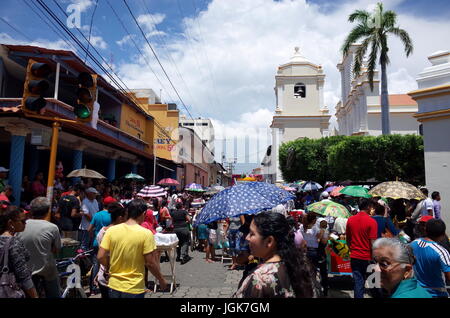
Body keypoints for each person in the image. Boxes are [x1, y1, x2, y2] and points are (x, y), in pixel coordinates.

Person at [233, 211, 314, 298]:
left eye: (252, 234)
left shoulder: (260, 278)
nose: (247, 238)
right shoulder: (301, 265)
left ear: (269, 241)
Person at [97, 199, 167, 298]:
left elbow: (100, 256)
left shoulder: (111, 231)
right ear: (143, 213)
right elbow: (150, 263)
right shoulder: (146, 234)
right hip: (134, 287)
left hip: (114, 285)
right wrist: (161, 279)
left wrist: (109, 266)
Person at [17, 197, 61, 298]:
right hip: (46, 270)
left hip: (25, 270)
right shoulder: (52, 227)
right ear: (47, 211)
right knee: (54, 291)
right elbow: (56, 249)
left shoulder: (21, 225)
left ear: (31, 210)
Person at [0, 205, 38, 298]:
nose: (25, 224)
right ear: (10, 223)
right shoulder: (14, 243)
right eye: (23, 221)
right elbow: (23, 276)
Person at [346, 198, 378, 298]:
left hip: (355, 257)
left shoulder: (350, 220)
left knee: (358, 284)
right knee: (374, 285)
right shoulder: (372, 221)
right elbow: (373, 242)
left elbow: (348, 240)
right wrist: (376, 259)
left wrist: (352, 250)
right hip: (368, 258)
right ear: (368, 207)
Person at [410, 218, 450, 298]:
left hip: (418, 291)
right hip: (436, 294)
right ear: (443, 235)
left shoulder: (413, 244)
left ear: (425, 230)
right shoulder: (441, 252)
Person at [95, 202, 127, 299]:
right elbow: (101, 256)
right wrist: (109, 268)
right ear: (120, 218)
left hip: (103, 276)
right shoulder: (120, 233)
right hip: (117, 277)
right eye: (125, 217)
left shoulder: (102, 231)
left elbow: (100, 256)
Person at [87, 196, 115, 295]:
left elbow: (89, 229)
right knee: (107, 264)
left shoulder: (97, 215)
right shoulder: (113, 216)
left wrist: (92, 238)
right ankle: (108, 284)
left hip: (96, 242)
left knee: (96, 265)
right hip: (108, 244)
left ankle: (93, 288)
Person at [300, 213, 329, 296]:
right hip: (316, 252)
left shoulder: (302, 227)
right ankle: (323, 289)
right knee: (323, 271)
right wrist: (323, 230)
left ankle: (310, 289)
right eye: (315, 218)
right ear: (313, 220)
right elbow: (321, 240)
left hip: (306, 251)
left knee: (310, 272)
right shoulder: (315, 228)